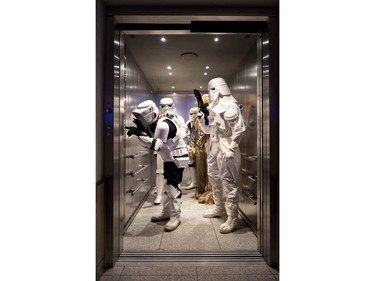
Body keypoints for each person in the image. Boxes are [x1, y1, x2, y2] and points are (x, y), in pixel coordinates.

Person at [127, 99, 189, 231]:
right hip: (169, 157)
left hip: (176, 158)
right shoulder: (158, 123)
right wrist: (141, 131)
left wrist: (139, 134)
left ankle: (175, 217)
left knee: (173, 188)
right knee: (168, 187)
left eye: (142, 117)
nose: (141, 120)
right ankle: (167, 213)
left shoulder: (163, 125)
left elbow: (155, 145)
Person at [198, 77, 246, 234]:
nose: (210, 94)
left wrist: (232, 147)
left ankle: (233, 217)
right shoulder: (214, 106)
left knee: (228, 181)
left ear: (219, 89)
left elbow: (239, 129)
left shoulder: (230, 106)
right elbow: (211, 128)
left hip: (226, 145)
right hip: (214, 145)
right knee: (213, 176)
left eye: (211, 90)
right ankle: (219, 208)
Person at [153, 97, 186, 205]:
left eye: (169, 105)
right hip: (162, 149)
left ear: (173, 106)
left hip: (174, 149)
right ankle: (159, 194)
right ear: (159, 107)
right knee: (160, 172)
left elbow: (183, 132)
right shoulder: (158, 120)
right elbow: (156, 137)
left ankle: (176, 195)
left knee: (174, 175)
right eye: (163, 106)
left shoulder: (178, 118)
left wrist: (175, 138)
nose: (166, 108)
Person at [184, 107, 199, 190]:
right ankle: (194, 182)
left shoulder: (201, 123)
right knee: (191, 162)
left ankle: (201, 182)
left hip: (202, 146)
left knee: (202, 164)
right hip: (191, 145)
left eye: (194, 113)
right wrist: (188, 145)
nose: (193, 115)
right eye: (191, 113)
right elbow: (185, 135)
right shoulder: (188, 123)